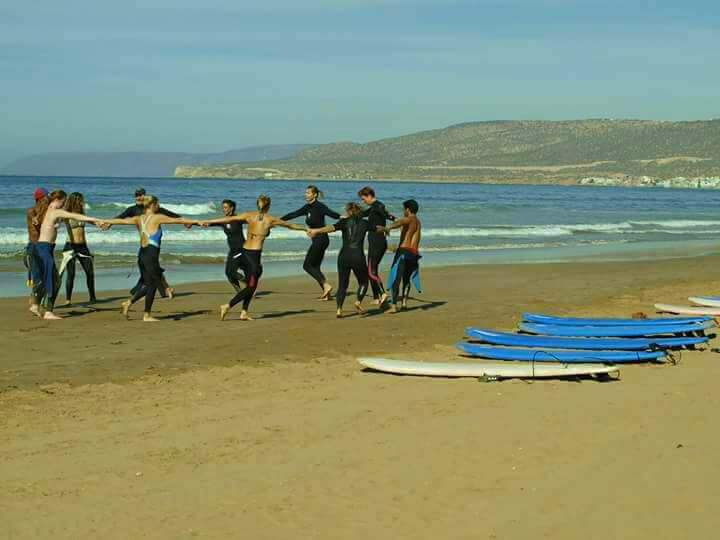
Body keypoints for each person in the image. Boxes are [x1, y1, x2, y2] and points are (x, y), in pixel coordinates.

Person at [201, 195, 306, 321]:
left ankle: (244, 312)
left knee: (252, 285)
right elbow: (291, 226)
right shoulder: (270, 219)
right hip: (253, 257)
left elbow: (227, 219)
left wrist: (202, 222)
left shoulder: (248, 215)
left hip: (244, 252)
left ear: (257, 205)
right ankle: (227, 306)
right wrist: (307, 229)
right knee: (251, 286)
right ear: (269, 206)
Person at [100, 195, 199, 322]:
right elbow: (177, 220)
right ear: (153, 205)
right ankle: (146, 315)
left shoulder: (138, 218)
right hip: (151, 255)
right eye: (158, 204)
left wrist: (105, 221)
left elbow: (122, 221)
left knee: (149, 284)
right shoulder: (157, 218)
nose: (159, 206)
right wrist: (196, 222)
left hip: (141, 255)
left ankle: (129, 303)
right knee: (152, 285)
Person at [30, 190, 104, 320]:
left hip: (42, 248)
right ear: (58, 200)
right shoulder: (55, 211)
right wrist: (96, 219)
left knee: (47, 279)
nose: (64, 204)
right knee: (54, 280)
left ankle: (36, 305)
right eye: (63, 201)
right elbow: (77, 217)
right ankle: (47, 312)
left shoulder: (47, 210)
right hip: (44, 248)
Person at [110, 188, 183, 299]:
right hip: (144, 244)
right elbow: (121, 218)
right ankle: (162, 289)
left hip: (154, 242)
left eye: (140, 195)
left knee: (153, 268)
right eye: (136, 195)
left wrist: (184, 221)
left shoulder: (154, 209)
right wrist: (108, 223)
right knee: (150, 268)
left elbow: (171, 215)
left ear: (145, 197)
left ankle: (158, 289)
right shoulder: (132, 210)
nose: (138, 197)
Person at [308, 202, 370, 318]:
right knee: (363, 282)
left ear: (348, 211)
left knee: (342, 285)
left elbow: (331, 228)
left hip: (344, 256)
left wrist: (316, 231)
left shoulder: (344, 222)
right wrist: (386, 229)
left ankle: (339, 310)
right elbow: (377, 228)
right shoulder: (365, 223)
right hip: (358, 256)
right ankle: (358, 302)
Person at [281, 185, 340, 300]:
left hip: (321, 239)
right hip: (317, 240)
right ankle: (326, 294)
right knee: (315, 266)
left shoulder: (320, 206)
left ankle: (326, 285)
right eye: (306, 193)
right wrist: (278, 220)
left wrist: (344, 217)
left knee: (307, 266)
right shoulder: (307, 207)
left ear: (315, 195)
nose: (306, 194)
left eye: (308, 193)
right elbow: (294, 214)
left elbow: (332, 214)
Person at [376, 199, 422, 314]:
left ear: (408, 209)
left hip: (404, 252)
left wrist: (387, 228)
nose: (403, 211)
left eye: (403, 209)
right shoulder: (418, 221)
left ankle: (394, 306)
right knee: (406, 279)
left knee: (396, 278)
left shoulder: (409, 219)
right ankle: (404, 303)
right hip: (414, 253)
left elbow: (401, 222)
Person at [358, 186, 395, 306]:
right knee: (372, 270)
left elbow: (385, 214)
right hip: (375, 242)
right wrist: (347, 217)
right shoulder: (373, 207)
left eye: (364, 199)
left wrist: (395, 219)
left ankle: (382, 294)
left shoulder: (378, 205)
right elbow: (362, 214)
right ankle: (376, 298)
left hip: (378, 242)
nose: (363, 201)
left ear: (369, 196)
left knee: (371, 271)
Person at [59, 192, 97, 305]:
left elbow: (92, 221)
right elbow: (55, 219)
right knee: (71, 274)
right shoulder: (67, 215)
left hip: (83, 246)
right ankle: (68, 300)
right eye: (80, 200)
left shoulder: (82, 214)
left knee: (90, 272)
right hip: (70, 246)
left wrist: (102, 223)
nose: (82, 202)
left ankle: (92, 297)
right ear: (75, 201)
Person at [209, 199, 247, 293]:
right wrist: (192, 223)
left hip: (241, 249)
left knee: (231, 272)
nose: (224, 209)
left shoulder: (238, 219)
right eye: (223, 207)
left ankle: (249, 285)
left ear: (231, 208)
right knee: (228, 273)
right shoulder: (223, 221)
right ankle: (240, 292)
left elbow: (253, 220)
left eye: (226, 207)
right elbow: (208, 223)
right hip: (233, 250)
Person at [25, 187, 48, 290]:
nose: (49, 200)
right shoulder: (32, 211)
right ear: (41, 199)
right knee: (37, 275)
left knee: (46, 275)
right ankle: (35, 300)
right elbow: (35, 220)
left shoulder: (47, 212)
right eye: (47, 197)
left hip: (44, 246)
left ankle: (41, 298)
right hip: (35, 246)